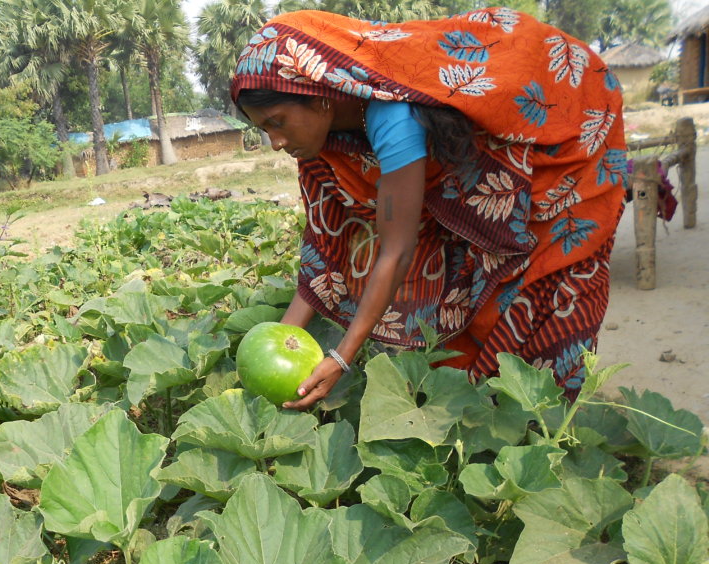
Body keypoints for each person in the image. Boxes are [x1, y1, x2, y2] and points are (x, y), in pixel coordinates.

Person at [230, 7, 628, 409]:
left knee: (537, 288)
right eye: (265, 129)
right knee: (466, 308)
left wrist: (340, 357)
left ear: (318, 97)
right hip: (477, 182)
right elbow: (327, 242)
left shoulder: (393, 116)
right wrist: (276, 343)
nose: (275, 142)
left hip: (563, 147)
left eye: (278, 122)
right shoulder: (318, 140)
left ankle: (545, 427)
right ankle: (476, 413)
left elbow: (397, 250)